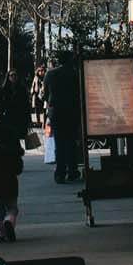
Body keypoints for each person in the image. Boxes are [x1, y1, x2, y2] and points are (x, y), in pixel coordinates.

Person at [0, 73, 28, 242]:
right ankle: (9, 221)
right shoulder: (13, 147)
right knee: (12, 206)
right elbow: (19, 162)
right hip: (10, 179)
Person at [44, 51, 83, 183]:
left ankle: (60, 172)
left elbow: (46, 94)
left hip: (56, 112)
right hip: (71, 111)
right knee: (71, 142)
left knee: (59, 143)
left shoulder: (50, 74)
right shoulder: (74, 74)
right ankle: (72, 170)